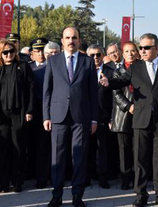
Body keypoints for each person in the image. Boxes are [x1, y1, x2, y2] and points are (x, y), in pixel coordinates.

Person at [100, 33, 158, 207]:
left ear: (156, 48)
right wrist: (108, 82)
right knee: (140, 159)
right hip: (141, 118)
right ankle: (140, 194)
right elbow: (120, 81)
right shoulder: (135, 67)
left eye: (146, 48)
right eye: (141, 47)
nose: (142, 51)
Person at [43, 27, 98, 207]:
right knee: (57, 158)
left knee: (79, 158)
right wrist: (46, 116)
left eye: (74, 37)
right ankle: (56, 196)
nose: (71, 41)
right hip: (58, 116)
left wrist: (94, 119)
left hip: (80, 117)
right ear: (62, 40)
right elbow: (47, 91)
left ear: (79, 40)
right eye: (67, 37)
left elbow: (92, 93)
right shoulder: (53, 61)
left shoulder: (88, 62)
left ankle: (77, 196)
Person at [0, 40, 35, 193]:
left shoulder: (23, 66)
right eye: (5, 52)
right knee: (3, 149)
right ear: (0, 54)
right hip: (1, 115)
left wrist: (29, 110)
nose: (9, 54)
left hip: (18, 113)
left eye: (11, 51)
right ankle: (4, 182)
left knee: (18, 148)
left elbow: (31, 89)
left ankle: (17, 181)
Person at [110, 41, 140, 190]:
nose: (130, 54)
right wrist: (129, 106)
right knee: (124, 149)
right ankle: (125, 178)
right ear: (123, 53)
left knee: (139, 149)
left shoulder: (143, 69)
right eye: (127, 51)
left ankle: (138, 178)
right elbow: (116, 93)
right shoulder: (117, 72)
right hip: (123, 115)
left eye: (133, 50)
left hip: (141, 114)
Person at [86, 44, 114, 189]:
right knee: (87, 149)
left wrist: (111, 117)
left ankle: (103, 177)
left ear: (103, 55)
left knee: (103, 149)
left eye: (98, 54)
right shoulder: (83, 70)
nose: (95, 58)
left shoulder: (111, 71)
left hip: (103, 116)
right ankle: (87, 176)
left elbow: (115, 97)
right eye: (92, 55)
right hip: (86, 116)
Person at [28, 38, 51, 189]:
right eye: (37, 51)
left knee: (47, 146)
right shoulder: (28, 68)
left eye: (43, 50)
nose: (40, 54)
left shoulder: (53, 66)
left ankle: (45, 176)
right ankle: (36, 174)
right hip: (34, 112)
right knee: (34, 146)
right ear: (32, 54)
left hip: (49, 112)